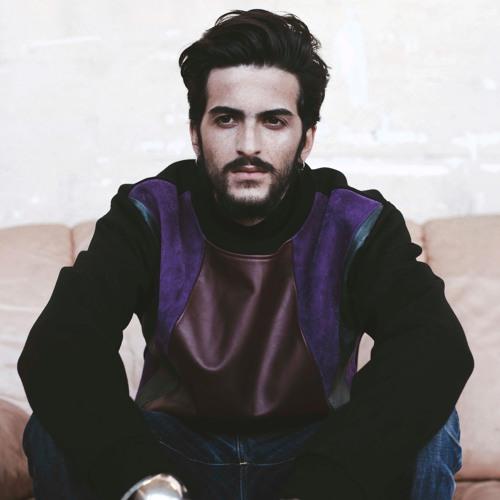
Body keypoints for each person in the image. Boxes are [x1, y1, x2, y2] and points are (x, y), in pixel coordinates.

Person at [18, 8, 474, 500]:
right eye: (226, 119)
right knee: (54, 427)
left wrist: (322, 485)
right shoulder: (149, 213)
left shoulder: (355, 222)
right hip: (175, 460)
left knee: (433, 422)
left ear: (306, 139)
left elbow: (435, 348)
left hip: (316, 457)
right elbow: (61, 348)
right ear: (196, 133)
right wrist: (144, 481)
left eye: (274, 121)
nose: (248, 145)